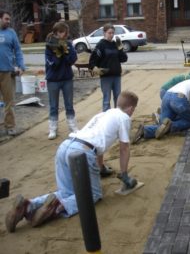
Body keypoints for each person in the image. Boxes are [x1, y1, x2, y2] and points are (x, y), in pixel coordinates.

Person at [5, 90, 139, 233]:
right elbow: (124, 148)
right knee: (93, 195)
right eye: (133, 110)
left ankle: (28, 205)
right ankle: (56, 207)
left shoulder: (103, 114)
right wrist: (124, 175)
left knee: (67, 191)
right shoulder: (124, 117)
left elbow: (98, 144)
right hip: (83, 152)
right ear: (131, 108)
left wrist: (100, 168)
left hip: (66, 146)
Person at [132, 74, 190, 143]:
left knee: (162, 125)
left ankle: (145, 130)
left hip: (167, 96)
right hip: (179, 99)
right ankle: (171, 125)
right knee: (188, 121)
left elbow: (189, 104)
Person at [45, 21, 78, 140]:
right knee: (53, 106)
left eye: (65, 32)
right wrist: (58, 54)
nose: (64, 35)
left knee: (69, 105)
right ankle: (53, 129)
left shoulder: (68, 44)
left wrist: (66, 52)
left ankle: (73, 127)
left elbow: (73, 60)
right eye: (61, 32)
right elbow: (52, 64)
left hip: (67, 79)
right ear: (55, 33)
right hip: (53, 80)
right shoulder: (49, 46)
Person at [89, 23, 127, 112]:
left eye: (113, 33)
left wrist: (121, 49)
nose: (111, 35)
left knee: (118, 98)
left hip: (116, 75)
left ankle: (117, 115)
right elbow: (92, 61)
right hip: (106, 77)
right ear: (104, 33)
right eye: (109, 33)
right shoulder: (100, 45)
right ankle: (106, 117)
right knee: (106, 99)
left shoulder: (115, 44)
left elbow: (124, 59)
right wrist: (95, 68)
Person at [0, 9, 26, 136]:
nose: (8, 22)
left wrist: (21, 66)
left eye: (9, 19)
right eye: (6, 19)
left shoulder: (11, 33)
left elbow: (18, 50)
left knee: (9, 102)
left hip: (7, 73)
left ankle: (10, 126)